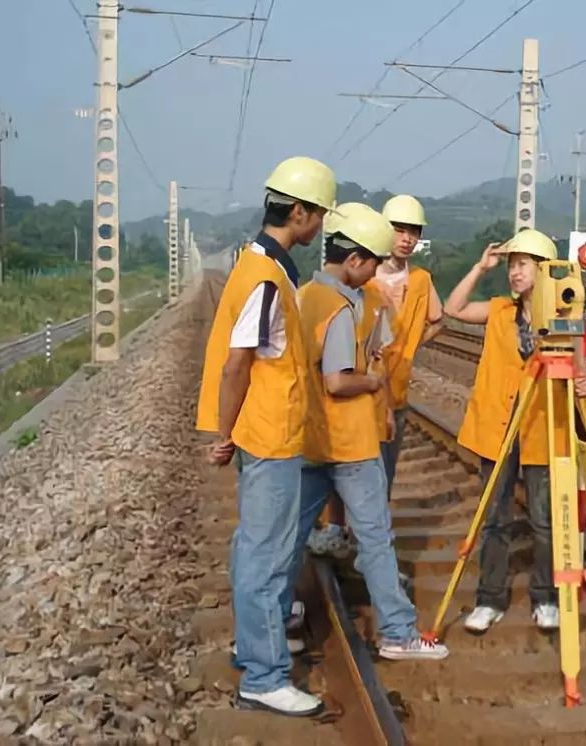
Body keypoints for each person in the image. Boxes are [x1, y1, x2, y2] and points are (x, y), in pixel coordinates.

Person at [196, 156, 335, 717]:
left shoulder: (258, 266)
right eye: (318, 215)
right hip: (269, 437)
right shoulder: (265, 279)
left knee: (257, 548)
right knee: (266, 555)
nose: (320, 225)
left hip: (268, 432)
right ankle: (263, 674)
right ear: (297, 213)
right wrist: (223, 434)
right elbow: (237, 365)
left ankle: (254, 648)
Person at [292, 202, 449, 661]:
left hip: (312, 437)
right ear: (355, 259)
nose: (375, 272)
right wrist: (375, 381)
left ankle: (278, 617)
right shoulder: (341, 307)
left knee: (290, 534)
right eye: (373, 263)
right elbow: (339, 380)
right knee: (376, 537)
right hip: (351, 440)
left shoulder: (304, 296)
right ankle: (399, 632)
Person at [445, 229, 586, 633]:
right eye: (511, 264)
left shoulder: (562, 316)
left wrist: (581, 379)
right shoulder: (497, 310)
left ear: (543, 270)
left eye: (522, 264)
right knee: (495, 518)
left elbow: (579, 366)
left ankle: (545, 597)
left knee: (545, 519)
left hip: (542, 429)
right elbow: (453, 308)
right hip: (496, 427)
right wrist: (479, 267)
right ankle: (489, 599)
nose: (514, 272)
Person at [373, 194, 445, 495]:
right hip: (362, 388)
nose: (406, 239)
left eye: (413, 232)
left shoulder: (420, 280)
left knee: (385, 471)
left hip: (398, 390)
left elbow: (438, 320)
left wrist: (413, 345)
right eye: (399, 230)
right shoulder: (364, 274)